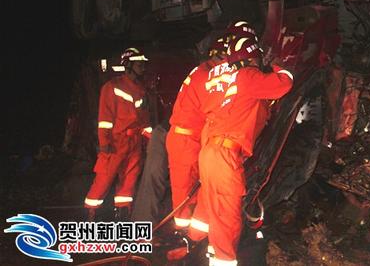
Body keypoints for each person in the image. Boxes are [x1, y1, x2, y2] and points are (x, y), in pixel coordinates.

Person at [166, 21, 261, 261]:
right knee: (186, 192)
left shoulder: (207, 74)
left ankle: (195, 240)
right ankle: (183, 238)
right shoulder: (206, 75)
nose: (228, 63)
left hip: (201, 142)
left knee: (207, 195)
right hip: (188, 139)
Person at [199, 31, 294, 266]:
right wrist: (279, 66)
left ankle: (213, 256)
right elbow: (284, 84)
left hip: (210, 153)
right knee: (228, 220)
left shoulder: (224, 84)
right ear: (253, 58)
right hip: (224, 157)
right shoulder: (247, 76)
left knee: (216, 217)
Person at [84, 47, 151, 221]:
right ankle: (91, 215)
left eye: (143, 64)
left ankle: (123, 215)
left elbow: (143, 120)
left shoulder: (140, 89)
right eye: (139, 64)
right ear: (128, 65)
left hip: (134, 142)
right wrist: (104, 142)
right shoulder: (111, 87)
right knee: (104, 179)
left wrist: (152, 139)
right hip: (115, 142)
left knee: (129, 180)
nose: (143, 68)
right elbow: (105, 118)